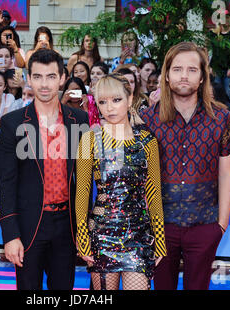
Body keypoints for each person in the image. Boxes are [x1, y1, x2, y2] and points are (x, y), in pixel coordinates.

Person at [139, 42, 230, 290]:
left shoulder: (221, 118)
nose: (184, 75)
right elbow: (140, 175)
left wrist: (221, 224)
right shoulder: (148, 118)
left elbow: (226, 172)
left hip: (205, 223)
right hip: (160, 226)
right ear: (167, 76)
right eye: (177, 69)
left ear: (203, 77)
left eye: (192, 70)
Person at [0, 49, 90, 290]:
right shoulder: (12, 123)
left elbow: (84, 180)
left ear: (62, 78)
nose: (44, 84)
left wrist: (83, 228)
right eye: (37, 77)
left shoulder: (79, 120)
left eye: (50, 76)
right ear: (29, 79)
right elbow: (6, 184)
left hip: (66, 225)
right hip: (28, 226)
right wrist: (10, 235)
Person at [75, 73, 166, 290]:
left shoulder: (147, 141)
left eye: (116, 100)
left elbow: (153, 194)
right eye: (102, 102)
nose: (109, 108)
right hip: (102, 235)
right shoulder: (90, 139)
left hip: (138, 236)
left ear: (130, 98)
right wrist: (83, 237)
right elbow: (82, 193)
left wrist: (160, 241)